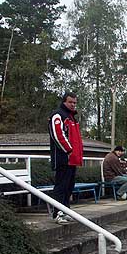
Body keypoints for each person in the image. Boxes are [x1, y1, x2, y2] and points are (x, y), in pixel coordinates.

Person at [48, 91, 83, 224]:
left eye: (75, 102)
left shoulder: (73, 117)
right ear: (64, 101)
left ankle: (66, 210)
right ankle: (57, 213)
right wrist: (69, 150)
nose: (73, 105)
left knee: (69, 186)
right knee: (61, 186)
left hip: (73, 159)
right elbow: (57, 135)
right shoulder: (58, 115)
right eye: (70, 102)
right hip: (63, 158)